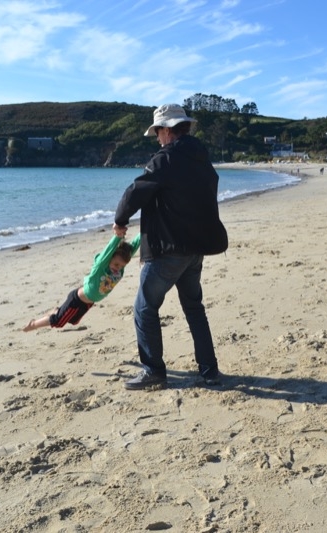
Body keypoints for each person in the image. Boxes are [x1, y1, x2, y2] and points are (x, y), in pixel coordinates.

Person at [113, 103, 228, 390]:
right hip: (196, 248)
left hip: (168, 249)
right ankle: (209, 369)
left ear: (167, 130)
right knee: (194, 307)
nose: (157, 139)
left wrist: (120, 220)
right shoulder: (201, 158)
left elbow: (135, 191)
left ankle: (153, 370)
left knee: (144, 308)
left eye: (157, 133)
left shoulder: (166, 159)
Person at [23, 234, 141, 332]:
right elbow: (108, 249)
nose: (118, 268)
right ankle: (33, 324)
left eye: (121, 266)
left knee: (74, 321)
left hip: (88, 303)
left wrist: (147, 228)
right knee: (58, 322)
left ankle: (56, 311)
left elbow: (136, 243)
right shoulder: (100, 267)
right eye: (116, 264)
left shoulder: (119, 268)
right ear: (109, 258)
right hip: (77, 300)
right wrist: (118, 236)